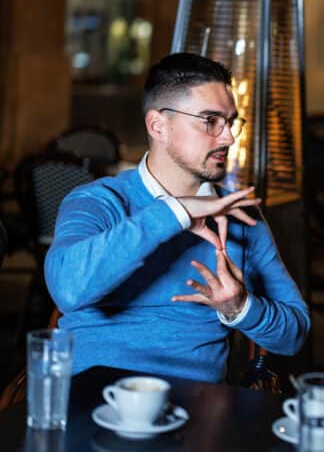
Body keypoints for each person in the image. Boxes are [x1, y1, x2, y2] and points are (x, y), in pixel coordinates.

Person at [45, 53, 310, 382]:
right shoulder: (99, 201)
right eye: (210, 121)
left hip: (197, 409)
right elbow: (68, 290)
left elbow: (294, 336)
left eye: (231, 122)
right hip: (94, 401)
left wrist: (240, 308)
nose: (228, 137)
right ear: (158, 125)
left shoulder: (238, 214)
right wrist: (176, 212)